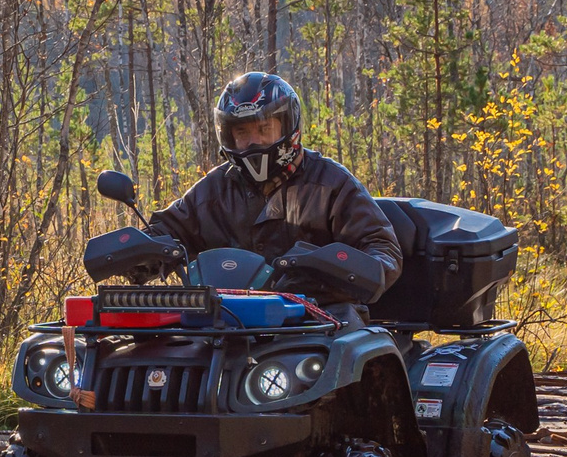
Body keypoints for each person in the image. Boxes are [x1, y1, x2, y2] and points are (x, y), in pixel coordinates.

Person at [146, 72, 403, 303]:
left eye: (264, 128)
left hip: (323, 318)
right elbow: (164, 232)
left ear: (287, 126)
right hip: (229, 324)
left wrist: (331, 271)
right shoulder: (212, 191)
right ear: (228, 136)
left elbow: (381, 248)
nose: (253, 141)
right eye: (242, 132)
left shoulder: (331, 184)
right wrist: (139, 253)